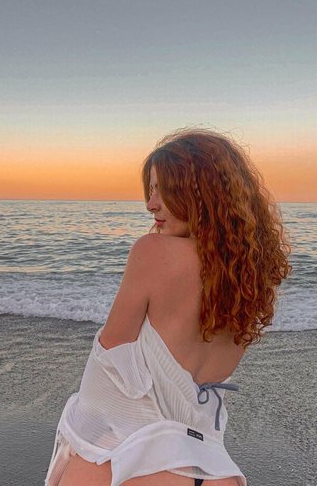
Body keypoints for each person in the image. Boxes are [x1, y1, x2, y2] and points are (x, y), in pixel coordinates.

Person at [44, 127, 292, 486]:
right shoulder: (248, 282)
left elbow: (111, 356)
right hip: (212, 468)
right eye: (151, 190)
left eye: (165, 190)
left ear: (202, 193)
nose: (151, 204)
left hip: (128, 462)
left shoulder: (153, 251)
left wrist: (79, 445)